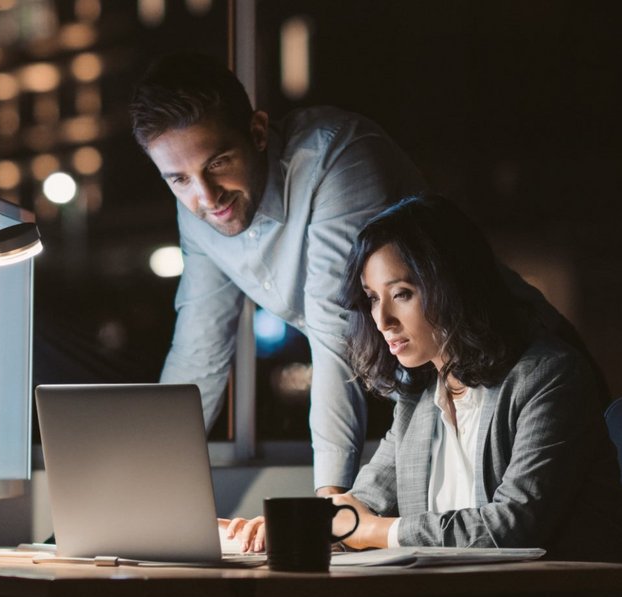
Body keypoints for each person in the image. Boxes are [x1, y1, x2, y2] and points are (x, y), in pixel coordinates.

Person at [227, 195, 622, 597]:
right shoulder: (418, 398)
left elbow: (509, 528)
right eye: (370, 298)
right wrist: (287, 529)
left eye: (402, 294)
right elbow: (364, 500)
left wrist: (376, 531)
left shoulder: (548, 376)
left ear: (452, 286)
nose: (382, 319)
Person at [130, 52, 584, 496]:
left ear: (258, 132)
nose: (206, 196)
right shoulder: (198, 212)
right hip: (432, 393)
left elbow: (335, 333)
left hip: (516, 366)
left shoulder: (335, 156)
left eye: (217, 163)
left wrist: (323, 510)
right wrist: (136, 498)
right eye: (179, 180)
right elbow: (198, 352)